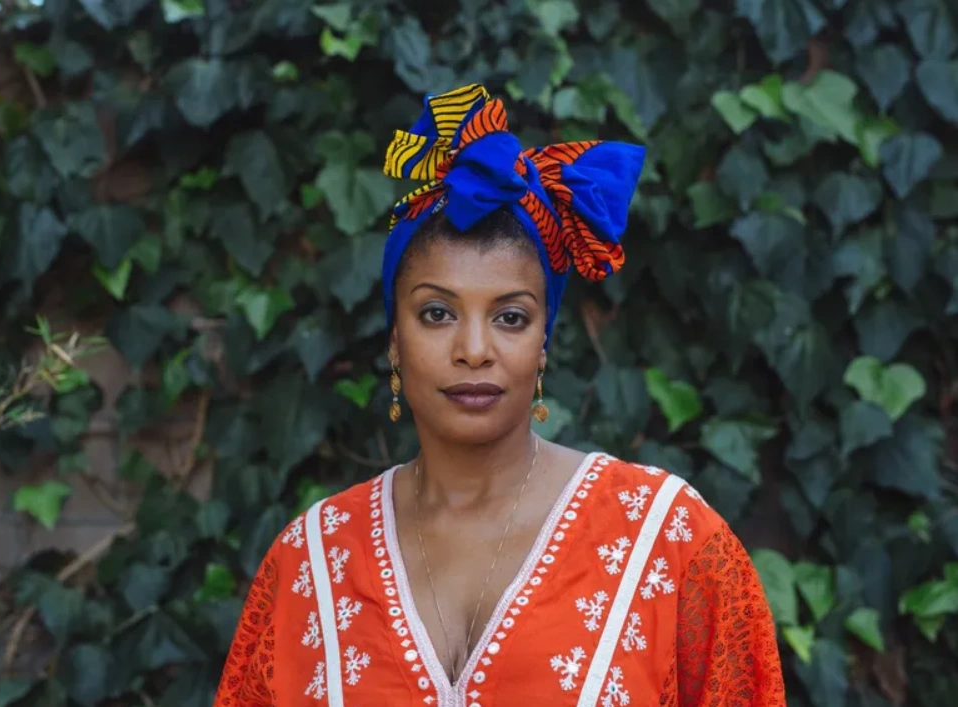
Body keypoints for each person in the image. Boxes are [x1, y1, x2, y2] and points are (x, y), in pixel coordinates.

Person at [212, 84, 786, 707]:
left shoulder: (668, 539)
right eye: (437, 313)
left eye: (511, 317)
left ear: (543, 343)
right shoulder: (311, 562)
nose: (474, 349)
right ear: (395, 341)